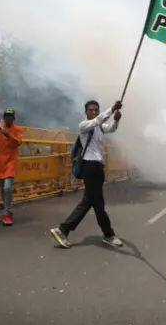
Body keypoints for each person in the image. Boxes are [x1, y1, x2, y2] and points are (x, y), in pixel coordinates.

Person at [50, 100, 123, 248]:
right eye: (91, 110)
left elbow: (110, 129)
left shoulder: (98, 127)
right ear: (86, 112)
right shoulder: (84, 126)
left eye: (96, 110)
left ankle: (64, 230)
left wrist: (116, 120)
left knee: (92, 202)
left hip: (97, 167)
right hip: (90, 167)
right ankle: (107, 234)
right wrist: (111, 110)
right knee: (95, 203)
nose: (94, 112)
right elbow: (98, 120)